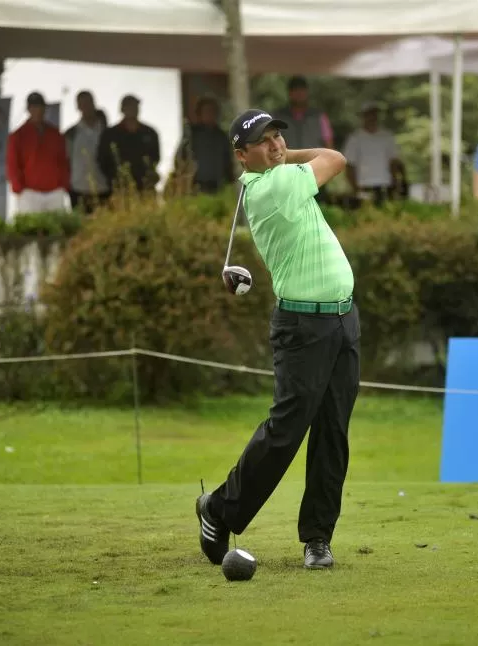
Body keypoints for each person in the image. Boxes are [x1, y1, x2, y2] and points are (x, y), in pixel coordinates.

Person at [195, 108, 361, 571]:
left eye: (277, 137)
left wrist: (283, 154)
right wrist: (288, 158)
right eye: (263, 141)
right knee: (286, 432)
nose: (275, 145)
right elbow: (336, 158)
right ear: (241, 154)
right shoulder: (272, 188)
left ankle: (318, 538)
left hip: (344, 319)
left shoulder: (281, 174)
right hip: (303, 328)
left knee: (333, 433)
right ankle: (218, 508)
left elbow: (322, 160)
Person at [5, 92, 70, 216]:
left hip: (54, 191)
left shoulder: (55, 134)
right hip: (29, 192)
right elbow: (12, 164)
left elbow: (63, 161)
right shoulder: (18, 136)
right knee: (31, 231)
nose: (37, 110)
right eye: (33, 107)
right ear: (28, 109)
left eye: (40, 106)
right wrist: (19, 189)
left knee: (57, 230)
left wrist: (63, 185)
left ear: (44, 108)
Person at [342, 102, 406, 207]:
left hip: (385, 185)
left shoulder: (387, 136)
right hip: (363, 186)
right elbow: (349, 166)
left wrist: (395, 184)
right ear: (363, 116)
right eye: (369, 114)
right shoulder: (355, 138)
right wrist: (356, 189)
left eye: (374, 114)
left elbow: (394, 162)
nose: (372, 117)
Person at [96, 95, 161, 196]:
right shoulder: (110, 134)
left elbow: (156, 158)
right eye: (129, 106)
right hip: (119, 189)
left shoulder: (149, 132)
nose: (133, 109)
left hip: (145, 187)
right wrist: (114, 179)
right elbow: (102, 160)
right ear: (122, 109)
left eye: (135, 106)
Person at [64, 90, 110, 213]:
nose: (86, 107)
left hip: (103, 188)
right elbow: (65, 161)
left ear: (94, 103)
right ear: (78, 107)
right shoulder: (71, 133)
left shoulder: (107, 132)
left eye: (88, 103)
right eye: (82, 104)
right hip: (79, 189)